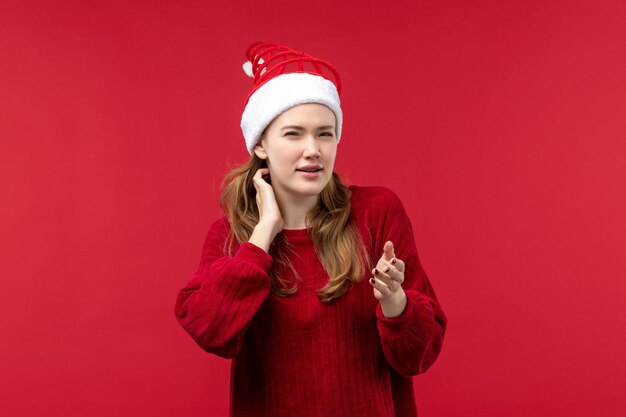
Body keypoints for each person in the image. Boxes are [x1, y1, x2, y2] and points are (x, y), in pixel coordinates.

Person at [173, 41, 447, 417]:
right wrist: (262, 236)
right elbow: (211, 332)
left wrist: (395, 301)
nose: (313, 149)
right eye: (293, 134)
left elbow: (419, 356)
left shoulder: (377, 212)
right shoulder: (232, 237)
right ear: (261, 145)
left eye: (324, 133)